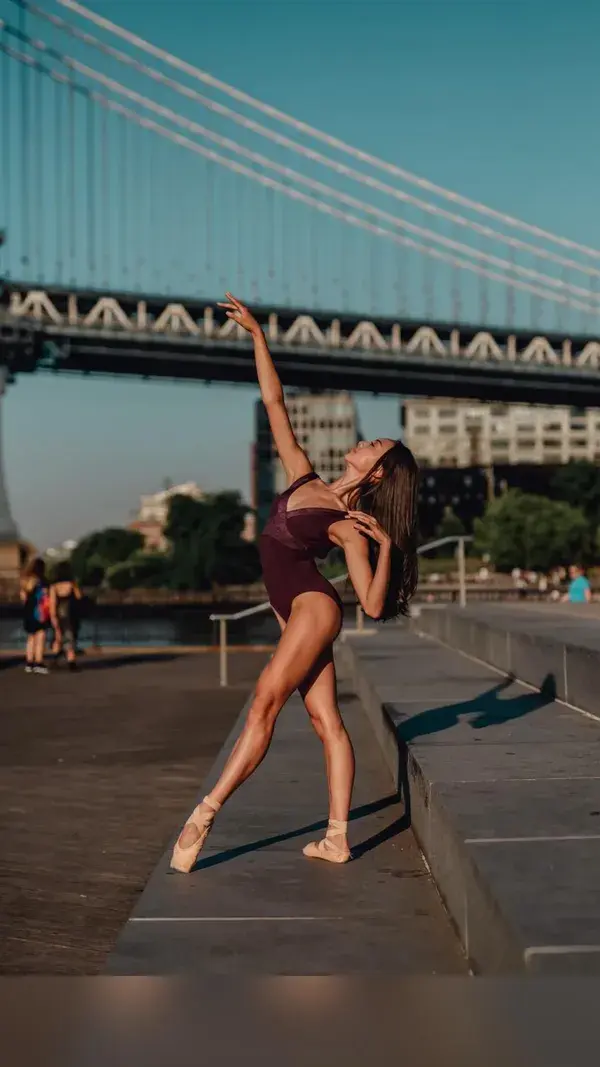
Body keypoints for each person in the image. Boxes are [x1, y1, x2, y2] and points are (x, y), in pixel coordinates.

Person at [170, 293, 419, 873]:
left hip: (312, 607)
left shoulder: (351, 530)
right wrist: (257, 336)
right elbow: (274, 400)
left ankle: (205, 812)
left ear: (377, 472)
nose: (363, 442)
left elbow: (377, 606)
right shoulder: (303, 473)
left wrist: (387, 546)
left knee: (265, 700)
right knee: (325, 720)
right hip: (292, 609)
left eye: (373, 445)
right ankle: (337, 837)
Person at [50, 561, 83, 670]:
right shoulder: (71, 584)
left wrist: (53, 617)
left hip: (59, 613)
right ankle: (71, 660)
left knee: (58, 636)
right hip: (71, 613)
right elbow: (79, 597)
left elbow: (52, 603)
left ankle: (55, 659)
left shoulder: (54, 586)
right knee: (70, 636)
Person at [20, 557, 51, 674]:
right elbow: (45, 597)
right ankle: (39, 662)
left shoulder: (25, 580)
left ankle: (29, 663)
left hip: (28, 612)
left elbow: (23, 598)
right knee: (40, 637)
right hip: (39, 611)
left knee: (30, 638)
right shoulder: (42, 581)